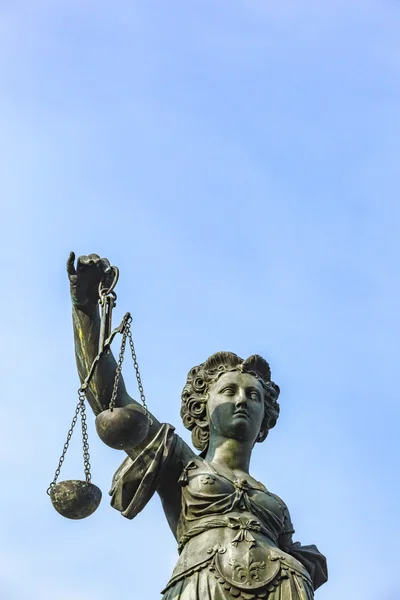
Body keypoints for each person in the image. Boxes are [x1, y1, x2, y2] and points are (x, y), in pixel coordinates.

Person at [67, 253, 328, 600]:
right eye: (229, 391)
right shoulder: (179, 461)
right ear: (202, 408)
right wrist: (86, 310)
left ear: (266, 414)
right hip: (203, 586)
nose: (241, 400)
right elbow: (110, 402)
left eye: (253, 395)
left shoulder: (274, 502)